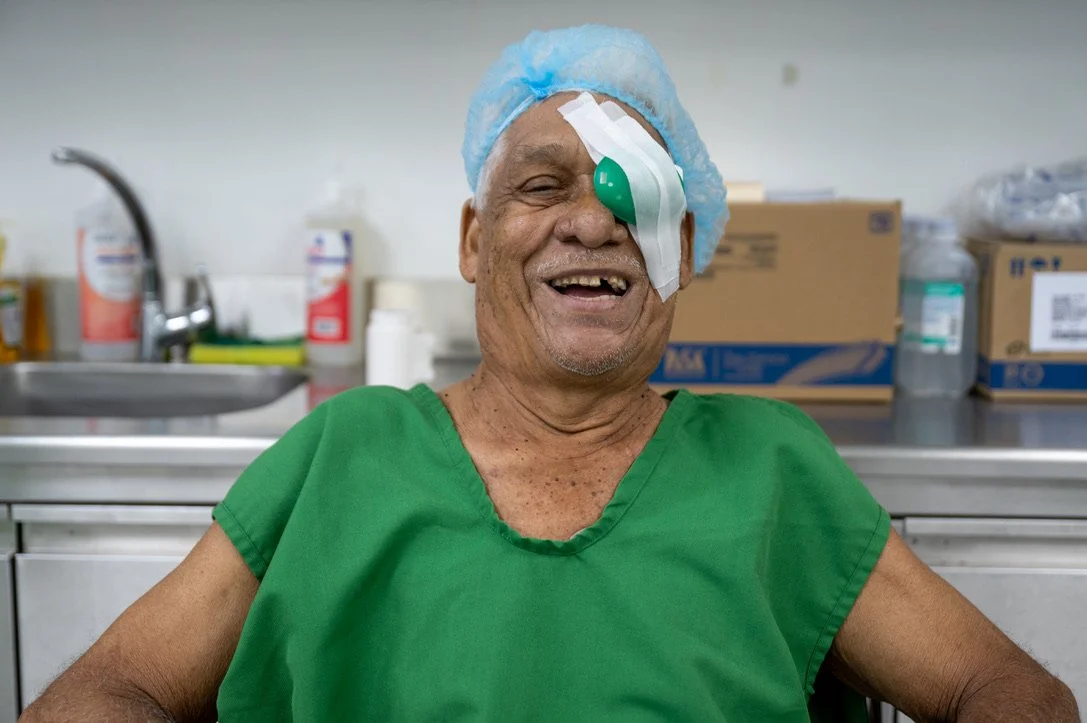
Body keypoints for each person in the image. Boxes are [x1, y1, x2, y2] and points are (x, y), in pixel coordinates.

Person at [21, 25, 1079, 723]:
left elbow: (1007, 691)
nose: (591, 220)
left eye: (636, 200)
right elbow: (109, 687)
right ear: (476, 241)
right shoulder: (342, 453)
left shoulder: (772, 466)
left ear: (682, 249)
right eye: (543, 186)